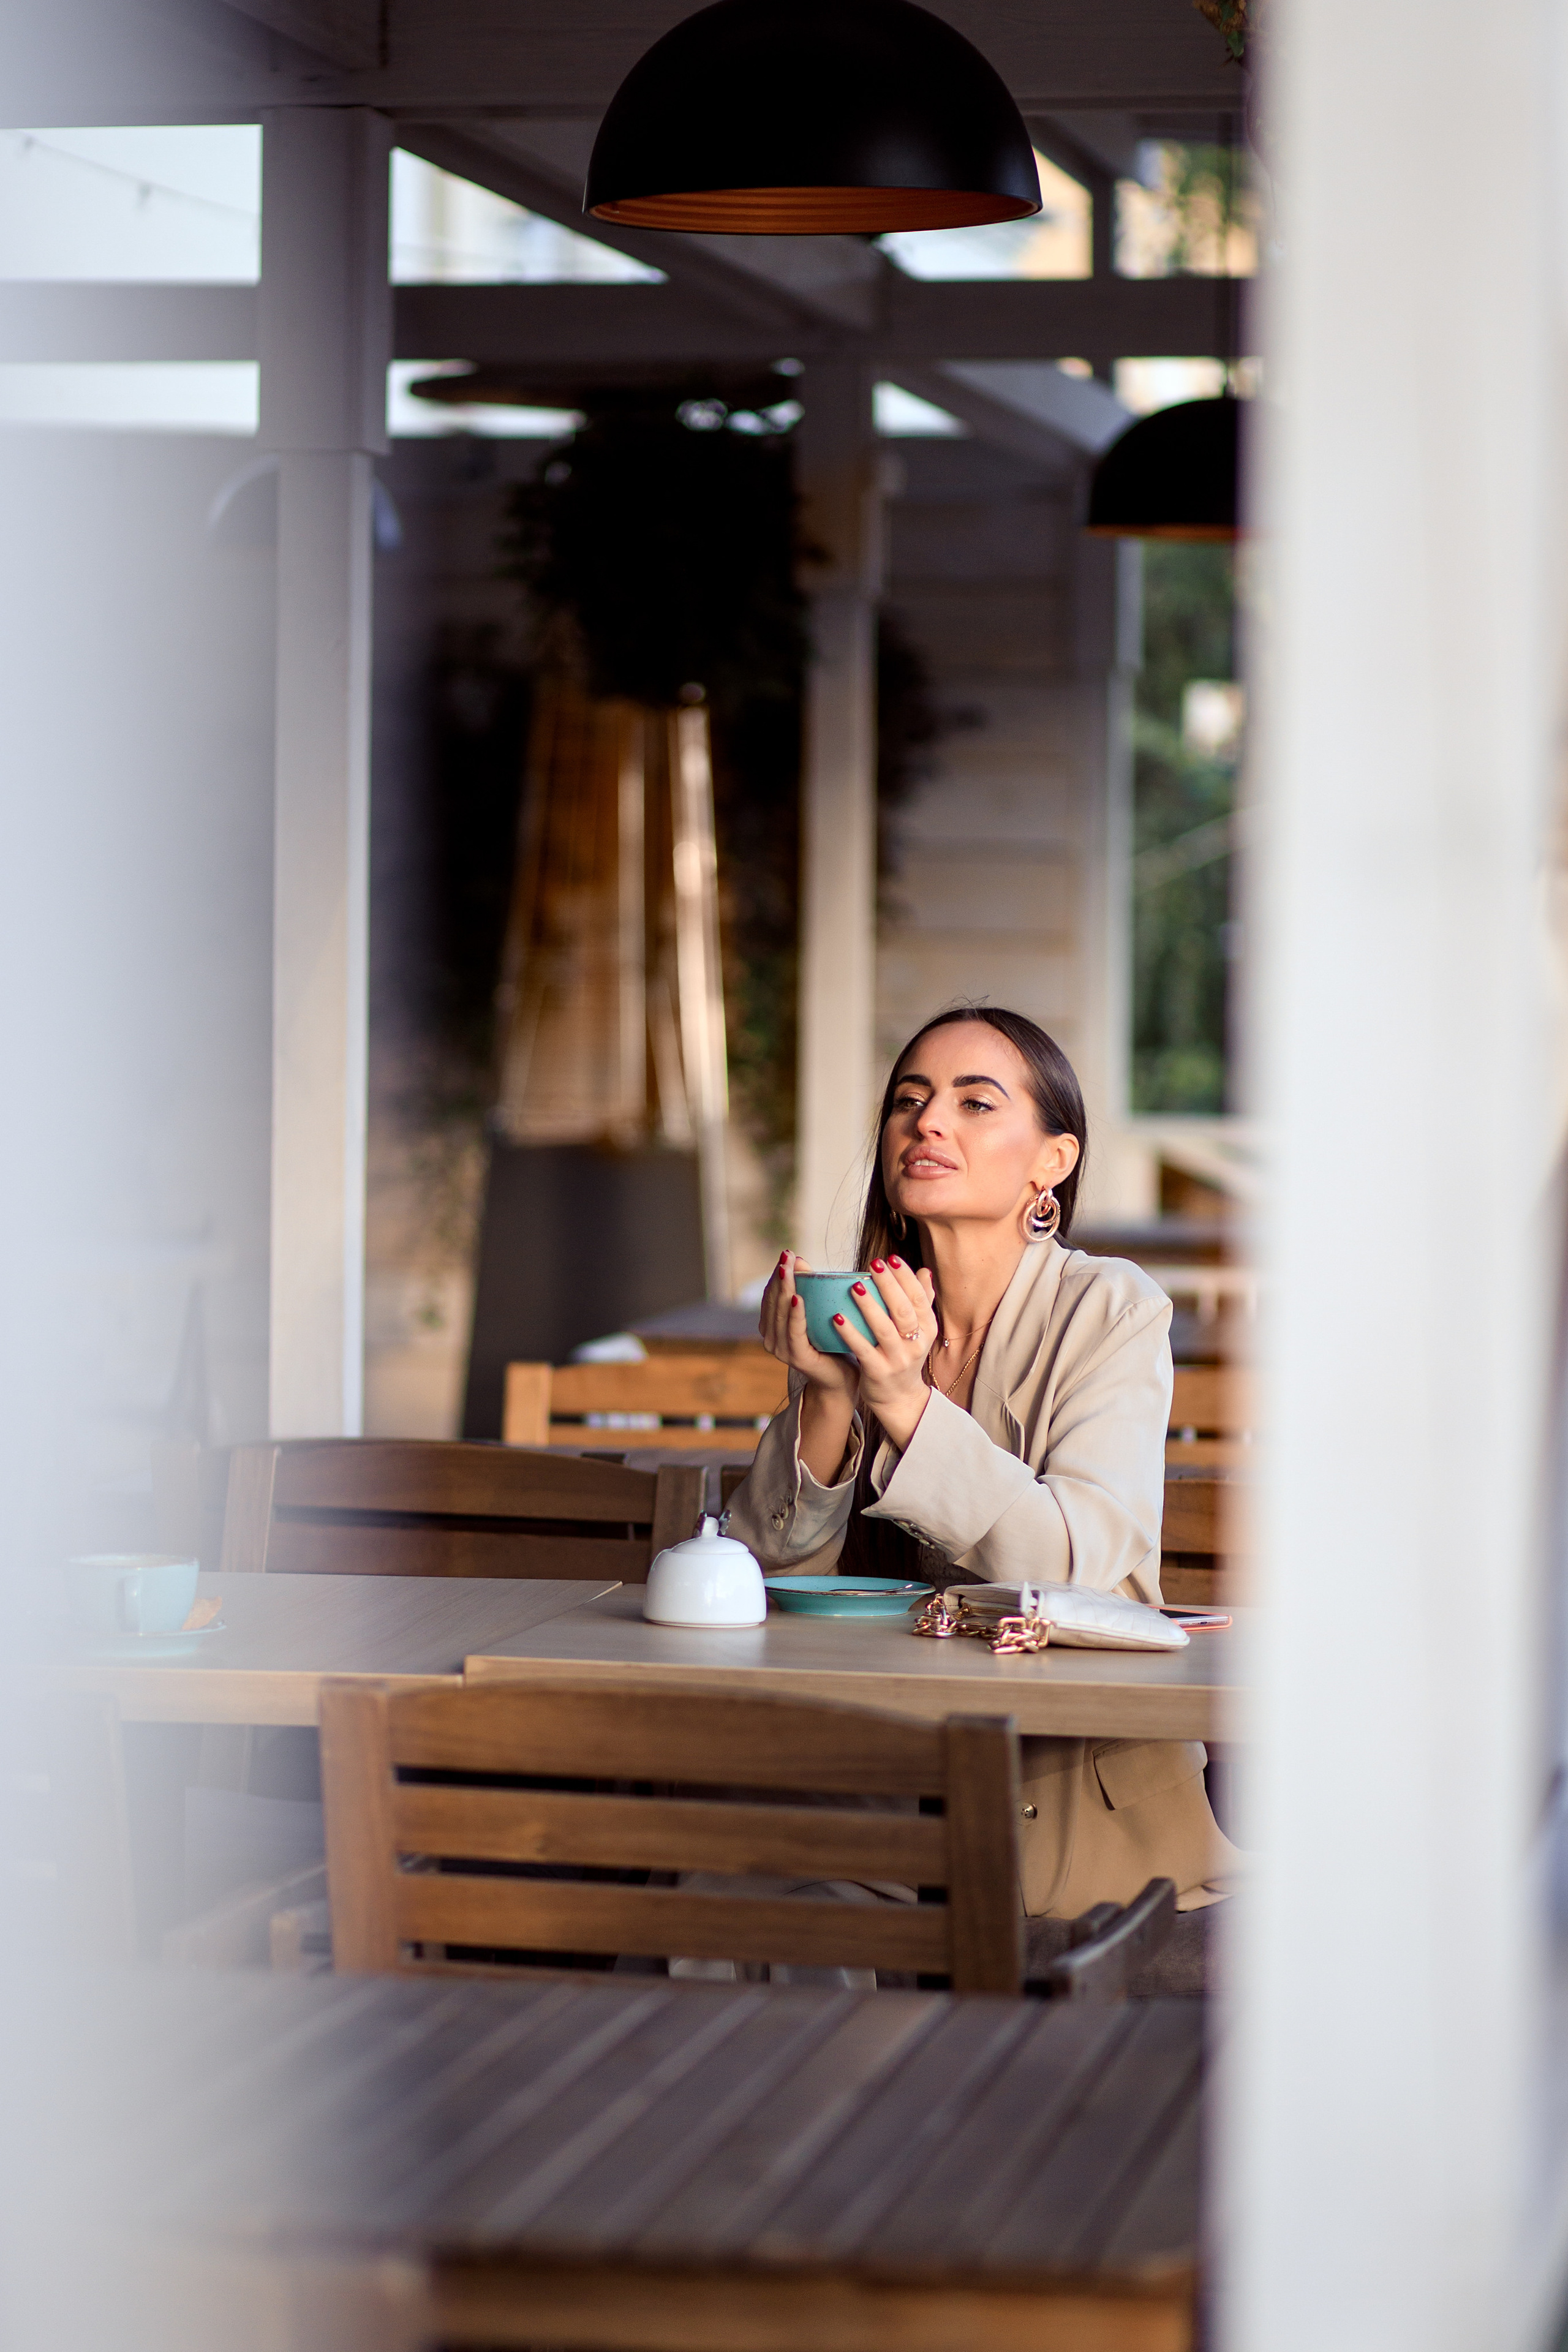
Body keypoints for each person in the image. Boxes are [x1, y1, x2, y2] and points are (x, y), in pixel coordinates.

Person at [725, 1005, 1238, 1920]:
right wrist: (830, 1393)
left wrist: (905, 1404)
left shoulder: (1112, 1308)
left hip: (1078, 1820)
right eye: (910, 1102)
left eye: (975, 1104)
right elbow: (761, 1583)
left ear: (1053, 1162)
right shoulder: (869, 1318)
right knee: (719, 1888)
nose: (927, 1123)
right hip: (887, 1785)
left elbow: (1064, 1563)